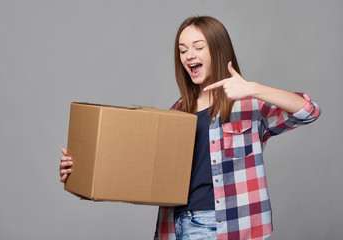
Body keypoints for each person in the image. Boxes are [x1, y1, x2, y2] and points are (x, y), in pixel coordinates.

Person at [59, 16, 321, 240]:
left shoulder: (248, 105)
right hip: (176, 226)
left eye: (198, 47)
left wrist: (253, 88)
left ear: (217, 50)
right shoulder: (177, 112)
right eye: (183, 50)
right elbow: (142, 171)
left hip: (228, 227)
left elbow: (308, 111)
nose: (189, 55)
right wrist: (82, 168)